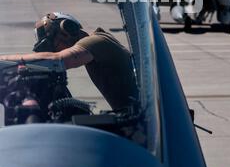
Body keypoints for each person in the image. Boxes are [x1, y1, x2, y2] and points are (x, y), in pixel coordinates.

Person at [0, 12, 138, 111]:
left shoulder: (98, 41)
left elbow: (57, 60)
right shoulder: (95, 46)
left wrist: (3, 60)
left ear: (67, 29)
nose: (52, 51)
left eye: (52, 44)